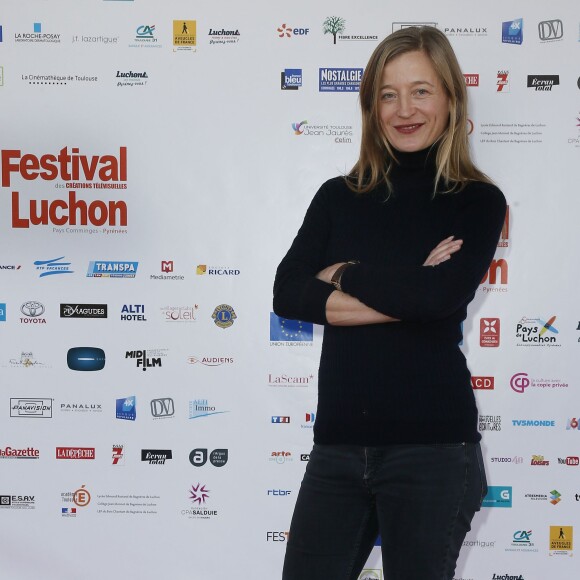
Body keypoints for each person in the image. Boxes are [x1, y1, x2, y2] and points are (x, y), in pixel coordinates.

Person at [273, 26, 506, 580]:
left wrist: (345, 272)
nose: (404, 109)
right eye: (388, 94)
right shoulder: (337, 196)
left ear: (450, 99)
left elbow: (441, 296)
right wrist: (414, 289)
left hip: (434, 452)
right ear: (371, 106)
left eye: (421, 90)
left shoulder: (476, 201)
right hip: (337, 451)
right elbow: (288, 293)